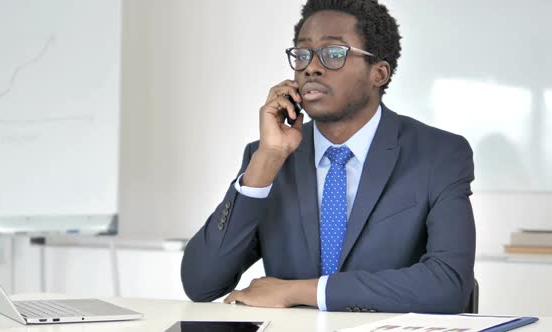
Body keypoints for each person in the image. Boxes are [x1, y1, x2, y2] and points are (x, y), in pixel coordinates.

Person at [181, 0, 475, 313]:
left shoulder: (438, 154)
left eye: (333, 53)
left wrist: (298, 291)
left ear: (379, 73)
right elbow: (201, 283)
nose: (311, 67)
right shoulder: (269, 157)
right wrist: (266, 161)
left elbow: (448, 285)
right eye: (303, 54)